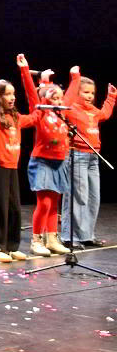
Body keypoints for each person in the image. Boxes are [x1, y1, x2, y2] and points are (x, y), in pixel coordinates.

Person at [17, 55, 71, 256]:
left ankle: (52, 238)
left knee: (54, 202)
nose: (58, 101)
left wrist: (74, 78)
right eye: (53, 98)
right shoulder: (41, 112)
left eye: (60, 98)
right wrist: (25, 70)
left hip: (60, 161)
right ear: (46, 99)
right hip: (42, 161)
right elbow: (32, 95)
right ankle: (36, 240)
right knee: (45, 202)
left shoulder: (63, 115)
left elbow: (70, 96)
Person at [0, 77, 36, 262]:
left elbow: (36, 116)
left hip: (12, 168)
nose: (12, 97)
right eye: (7, 94)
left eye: (13, 94)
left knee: (14, 209)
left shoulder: (16, 117)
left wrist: (33, 82)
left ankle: (11, 246)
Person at [62, 67, 116, 248]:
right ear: (77, 93)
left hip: (93, 157)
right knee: (78, 197)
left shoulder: (93, 110)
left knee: (94, 197)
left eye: (92, 93)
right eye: (85, 92)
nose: (90, 95)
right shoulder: (70, 109)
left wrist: (111, 98)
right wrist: (74, 78)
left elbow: (105, 114)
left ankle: (86, 234)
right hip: (77, 156)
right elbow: (64, 100)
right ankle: (70, 236)